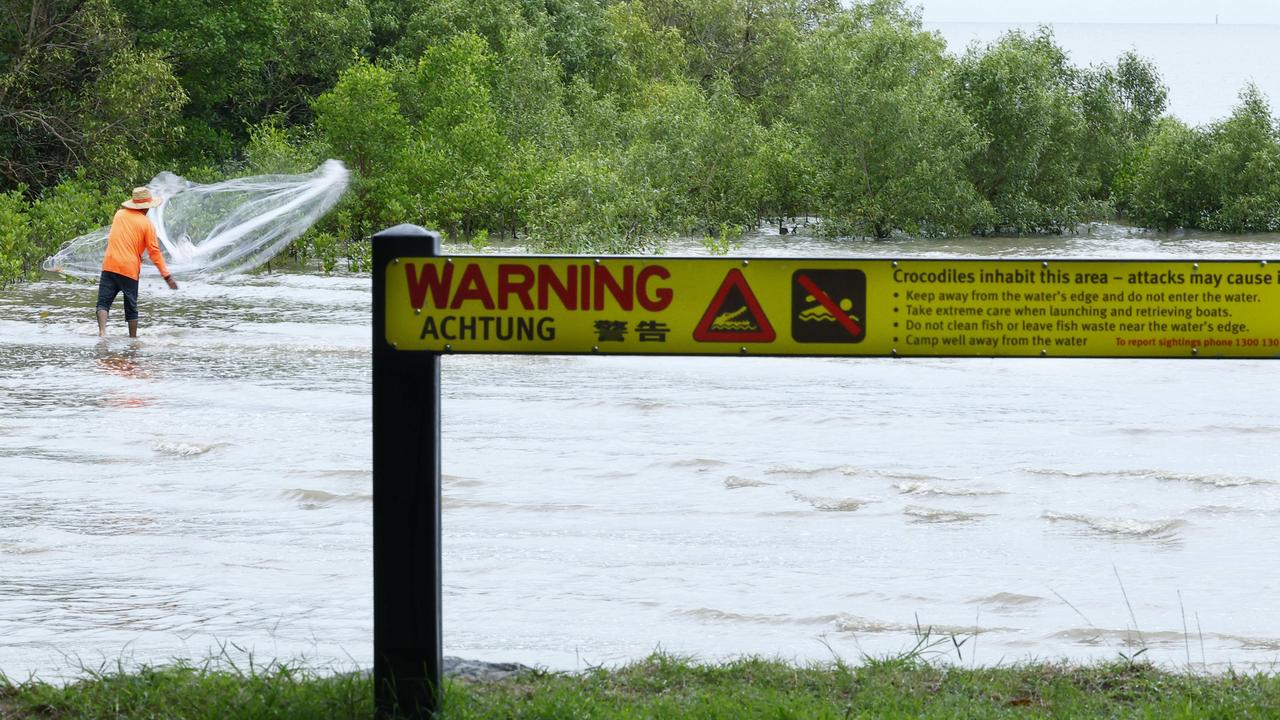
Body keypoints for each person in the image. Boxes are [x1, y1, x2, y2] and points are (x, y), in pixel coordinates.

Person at [96, 186, 179, 337]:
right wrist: (167, 276)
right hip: (129, 269)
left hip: (109, 264)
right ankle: (133, 339)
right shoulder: (147, 224)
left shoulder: (119, 214)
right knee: (131, 306)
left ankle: (102, 331)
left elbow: (122, 237)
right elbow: (155, 253)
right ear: (146, 207)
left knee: (103, 302)